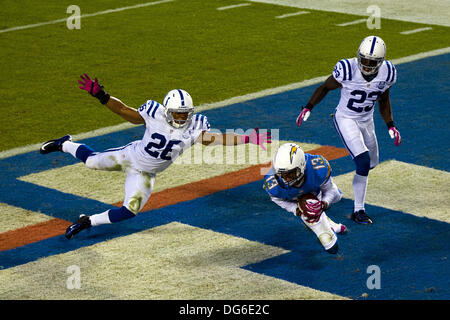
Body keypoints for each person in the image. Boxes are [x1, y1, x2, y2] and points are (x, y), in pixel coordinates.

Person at [40, 74, 271, 239]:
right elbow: (125, 111)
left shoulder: (195, 126)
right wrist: (102, 95)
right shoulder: (155, 113)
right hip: (130, 156)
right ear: (167, 110)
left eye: (184, 114)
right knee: (90, 162)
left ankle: (88, 221)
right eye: (177, 114)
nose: (181, 118)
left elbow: (216, 139)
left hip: (147, 173)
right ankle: (66, 144)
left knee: (129, 210)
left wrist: (247, 138)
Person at [296, 35, 401, 225]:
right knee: (363, 161)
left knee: (372, 163)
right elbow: (325, 87)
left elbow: (384, 100)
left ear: (381, 62)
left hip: (366, 120)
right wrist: (308, 107)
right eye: (365, 60)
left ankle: (331, 185)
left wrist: (390, 125)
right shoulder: (347, 69)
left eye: (372, 62)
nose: (367, 65)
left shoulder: (388, 73)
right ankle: (358, 210)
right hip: (345, 118)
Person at [263, 143, 346, 254]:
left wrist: (324, 204)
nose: (286, 179)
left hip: (315, 189)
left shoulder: (316, 168)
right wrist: (296, 209)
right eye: (282, 175)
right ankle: (323, 224)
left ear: (302, 166)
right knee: (331, 247)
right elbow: (277, 199)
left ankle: (326, 221)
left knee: (337, 196)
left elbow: (330, 190)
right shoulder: (274, 184)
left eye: (290, 174)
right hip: (295, 198)